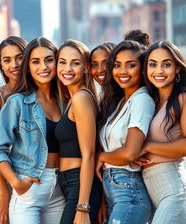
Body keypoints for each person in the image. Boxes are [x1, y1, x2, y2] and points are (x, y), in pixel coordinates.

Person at [0, 37, 65, 223]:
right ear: (28, 67)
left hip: (61, 190)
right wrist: (15, 183)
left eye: (49, 60)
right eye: (35, 62)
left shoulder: (67, 101)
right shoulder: (17, 103)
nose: (43, 67)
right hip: (29, 190)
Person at [96, 40, 154, 224]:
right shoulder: (121, 102)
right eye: (117, 65)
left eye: (131, 65)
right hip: (114, 190)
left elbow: (130, 152)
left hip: (129, 192)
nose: (122, 71)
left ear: (143, 69)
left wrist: (100, 157)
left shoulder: (142, 100)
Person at [136, 41, 186, 223]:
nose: (159, 70)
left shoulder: (182, 98)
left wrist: (147, 146)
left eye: (166, 64)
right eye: (152, 64)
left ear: (177, 68)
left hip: (173, 189)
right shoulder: (151, 101)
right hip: (150, 190)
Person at [55, 39, 101, 224]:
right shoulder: (72, 99)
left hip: (79, 184)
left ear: (86, 68)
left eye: (75, 63)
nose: (67, 68)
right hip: (69, 183)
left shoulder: (81, 98)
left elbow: (89, 155)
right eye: (62, 62)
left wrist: (83, 206)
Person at [0, 36, 27, 224]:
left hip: (46, 181)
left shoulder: (42, 93)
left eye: (19, 57)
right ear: (1, 65)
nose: (14, 64)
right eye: (7, 60)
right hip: (11, 182)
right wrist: (1, 191)